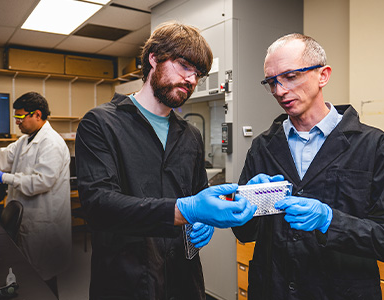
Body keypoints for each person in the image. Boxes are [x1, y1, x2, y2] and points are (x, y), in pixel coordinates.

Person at [75, 21, 255, 300]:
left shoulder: (190, 135)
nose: (192, 80)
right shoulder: (100, 123)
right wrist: (186, 209)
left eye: (198, 74)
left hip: (183, 280)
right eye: (184, 66)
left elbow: (198, 194)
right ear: (154, 58)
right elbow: (99, 205)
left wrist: (204, 217)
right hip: (125, 281)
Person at [232, 33, 384, 299]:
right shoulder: (263, 147)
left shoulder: (373, 145)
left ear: (323, 75)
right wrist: (246, 204)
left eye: (290, 76)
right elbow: (244, 233)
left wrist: (330, 220)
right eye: (272, 82)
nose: (279, 91)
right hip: (274, 289)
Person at [0, 91, 71, 298]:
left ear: (37, 115)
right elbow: (1, 157)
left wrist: (4, 178)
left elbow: (41, 182)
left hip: (44, 223)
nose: (17, 123)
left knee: (44, 280)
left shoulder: (52, 143)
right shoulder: (25, 140)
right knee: (29, 275)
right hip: (27, 219)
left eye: (20, 118)